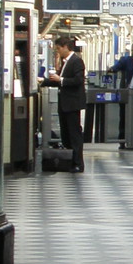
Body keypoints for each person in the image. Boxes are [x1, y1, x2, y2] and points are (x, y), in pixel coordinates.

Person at [42, 35, 86, 172]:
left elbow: (77, 80)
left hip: (72, 104)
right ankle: (69, 161)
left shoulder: (77, 61)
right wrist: (43, 81)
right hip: (65, 103)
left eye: (59, 48)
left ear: (66, 47)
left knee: (74, 134)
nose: (58, 51)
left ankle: (78, 163)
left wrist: (60, 79)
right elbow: (59, 80)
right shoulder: (65, 61)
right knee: (66, 133)